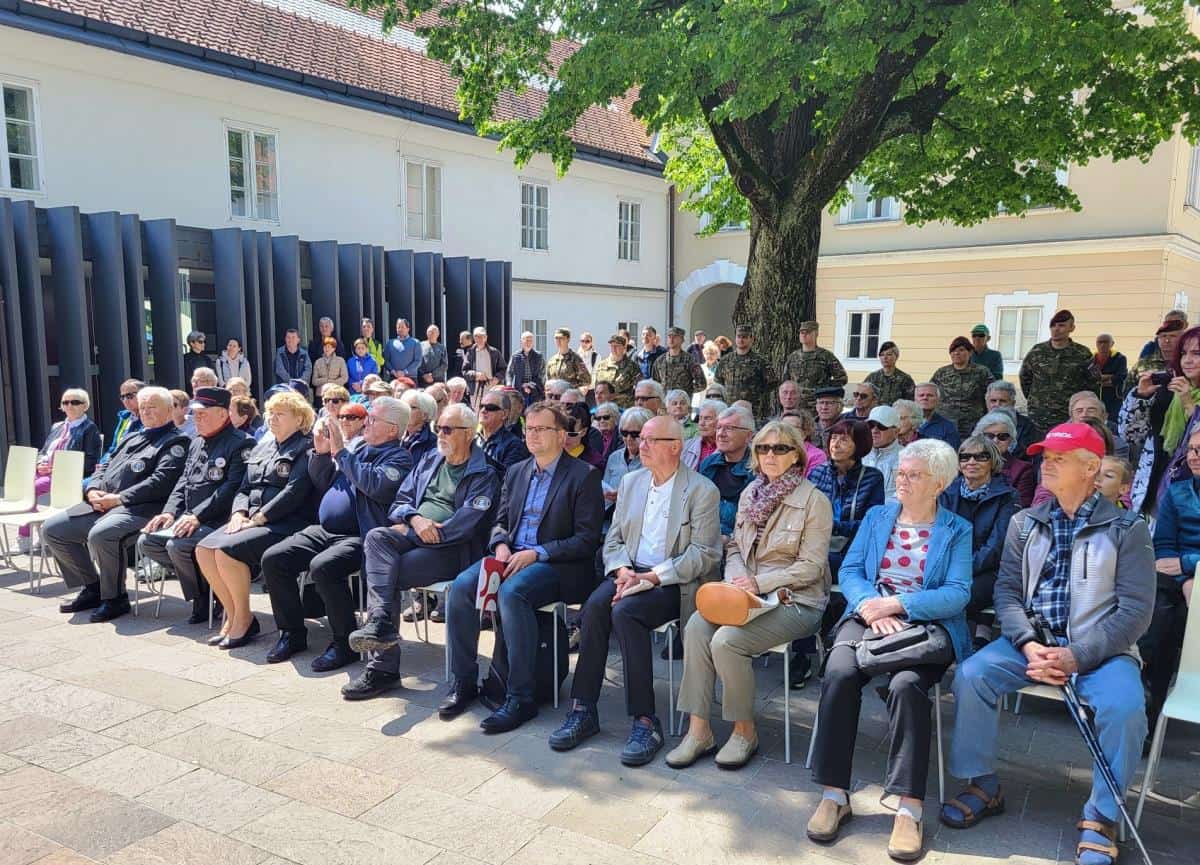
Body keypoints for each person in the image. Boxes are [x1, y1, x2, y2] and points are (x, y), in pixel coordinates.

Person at [943, 423, 1152, 865]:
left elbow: (1135, 611)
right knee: (972, 675)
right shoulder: (1025, 522)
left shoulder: (1127, 529)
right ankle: (983, 783)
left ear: (1091, 468)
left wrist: (1077, 656)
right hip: (1032, 643)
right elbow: (1006, 592)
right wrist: (1025, 643)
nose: (1046, 465)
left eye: (1059, 458)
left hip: (1100, 651)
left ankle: (1101, 815)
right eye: (1045, 457)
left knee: (1126, 707)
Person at [808, 439, 972, 862]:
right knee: (840, 672)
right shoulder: (878, 516)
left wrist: (898, 604)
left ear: (939, 483)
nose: (902, 480)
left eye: (914, 475)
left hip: (924, 627)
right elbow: (850, 569)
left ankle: (908, 808)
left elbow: (958, 593)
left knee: (906, 685)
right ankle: (834, 794)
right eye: (900, 472)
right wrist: (870, 605)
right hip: (868, 617)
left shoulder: (957, 529)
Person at [547, 416, 721, 764]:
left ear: (675, 446)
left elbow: (704, 554)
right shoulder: (632, 482)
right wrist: (623, 570)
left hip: (673, 580)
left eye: (651, 440)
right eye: (641, 438)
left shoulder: (701, 490)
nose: (641, 445)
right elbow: (613, 539)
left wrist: (652, 577)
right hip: (628, 572)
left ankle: (646, 720)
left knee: (626, 613)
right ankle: (583, 709)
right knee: (594, 608)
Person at [670, 420, 832, 771]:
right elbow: (734, 549)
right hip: (747, 594)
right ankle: (699, 730)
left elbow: (812, 567)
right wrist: (736, 580)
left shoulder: (814, 501)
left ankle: (744, 732)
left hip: (796, 600)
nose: (770, 455)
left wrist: (760, 583)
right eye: (763, 448)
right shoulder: (751, 493)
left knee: (727, 641)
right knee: (696, 626)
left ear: (796, 455)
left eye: (780, 448)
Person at [440, 401, 605, 730]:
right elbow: (499, 522)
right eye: (529, 429)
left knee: (512, 593)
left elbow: (587, 539)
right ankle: (464, 681)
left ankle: (520, 697)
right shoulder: (516, 472)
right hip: (511, 556)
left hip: (559, 565)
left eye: (541, 429)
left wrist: (538, 553)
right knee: (461, 587)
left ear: (561, 435)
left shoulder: (584, 476)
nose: (532, 435)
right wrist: (500, 544)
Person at [344, 404, 501, 699]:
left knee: (385, 575)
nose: (440, 434)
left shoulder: (485, 473)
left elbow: (464, 527)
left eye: (448, 429)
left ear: (469, 434)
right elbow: (399, 502)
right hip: (416, 534)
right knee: (377, 537)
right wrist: (414, 519)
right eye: (437, 428)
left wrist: (412, 531)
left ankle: (382, 667)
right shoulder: (431, 459)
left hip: (453, 550)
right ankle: (380, 626)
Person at [261, 397, 412, 671]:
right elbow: (324, 481)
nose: (366, 423)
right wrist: (321, 455)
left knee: (324, 567)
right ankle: (291, 633)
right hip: (325, 530)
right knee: (274, 558)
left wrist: (341, 452)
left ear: (392, 429)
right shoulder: (360, 448)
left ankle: (344, 643)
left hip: (361, 535)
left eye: (373, 419)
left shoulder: (399, 458)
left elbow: (374, 485)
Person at [45, 387, 188, 622]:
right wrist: (92, 490)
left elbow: (160, 482)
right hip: (103, 503)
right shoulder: (132, 436)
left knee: (102, 535)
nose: (146, 412)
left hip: (140, 509)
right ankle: (92, 587)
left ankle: (115, 598)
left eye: (152, 407)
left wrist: (118, 499)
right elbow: (104, 465)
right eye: (143, 407)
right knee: (53, 529)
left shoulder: (177, 441)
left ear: (169, 409)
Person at [195, 390, 316, 649]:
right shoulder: (264, 447)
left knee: (226, 551)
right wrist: (238, 513)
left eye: (280, 414)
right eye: (270, 413)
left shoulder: (306, 448)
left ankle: (243, 620)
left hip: (285, 523)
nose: (272, 418)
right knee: (204, 549)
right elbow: (243, 488)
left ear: (299, 419)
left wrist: (260, 517)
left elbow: (294, 492)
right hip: (251, 520)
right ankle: (235, 615)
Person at [138, 387, 253, 624]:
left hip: (219, 519)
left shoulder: (241, 443)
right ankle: (208, 587)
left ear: (222, 414)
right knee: (147, 541)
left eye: (202, 414)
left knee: (178, 546)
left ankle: (204, 598)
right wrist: (169, 512)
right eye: (195, 414)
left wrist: (197, 517)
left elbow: (230, 489)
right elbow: (184, 481)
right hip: (191, 517)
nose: (196, 419)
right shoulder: (197, 442)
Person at [1141, 426, 1200, 729]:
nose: (1194, 456)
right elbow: (1163, 547)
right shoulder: (1177, 492)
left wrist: (1190, 568)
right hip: (1176, 583)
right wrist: (1186, 580)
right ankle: (1150, 713)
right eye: (1191, 449)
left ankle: (1150, 715)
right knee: (1163, 610)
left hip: (1187, 575)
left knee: (1167, 619)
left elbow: (1175, 560)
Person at [939, 435, 1019, 649]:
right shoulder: (947, 493)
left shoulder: (1008, 497)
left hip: (990, 570)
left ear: (993, 462)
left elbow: (996, 547)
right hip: (949, 566)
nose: (971, 462)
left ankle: (954, 645)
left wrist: (962, 569)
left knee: (958, 595)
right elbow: (939, 536)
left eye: (981, 457)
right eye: (965, 457)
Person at [1120, 323, 1200, 512]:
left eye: (1197, 354)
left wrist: (1190, 405)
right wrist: (1141, 398)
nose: (1187, 360)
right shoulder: (1168, 389)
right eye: (1183, 353)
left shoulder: (1184, 395)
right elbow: (1130, 436)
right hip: (1156, 486)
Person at [19, 388, 103, 553]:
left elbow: (90, 461)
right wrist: (39, 464)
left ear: (85, 406)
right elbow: (44, 451)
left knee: (31, 489)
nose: (69, 406)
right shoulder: (57, 426)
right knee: (21, 486)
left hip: (65, 476)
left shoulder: (89, 429)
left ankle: (25, 537)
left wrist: (59, 468)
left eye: (75, 402)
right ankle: (42, 531)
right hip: (46, 471)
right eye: (66, 402)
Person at [1019, 309, 1100, 436]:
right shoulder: (1037, 351)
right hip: (1038, 416)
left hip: (1068, 416)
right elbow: (1025, 377)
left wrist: (1082, 408)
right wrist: (1035, 400)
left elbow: (1093, 383)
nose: (1056, 329)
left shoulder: (1082, 353)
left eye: (1061, 325)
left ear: (1072, 328)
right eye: (1053, 325)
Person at [698, 405, 755, 539]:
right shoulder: (708, 464)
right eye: (718, 427)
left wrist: (729, 537)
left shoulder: (757, 469)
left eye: (729, 428)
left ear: (748, 436)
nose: (721, 434)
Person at [781, 319, 848, 414]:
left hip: (818, 405)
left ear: (816, 334)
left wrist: (823, 389)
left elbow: (842, 378)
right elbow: (786, 381)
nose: (804, 335)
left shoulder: (825, 356)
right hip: (796, 405)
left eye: (807, 332)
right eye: (802, 332)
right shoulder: (793, 357)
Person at [931, 336, 993, 439]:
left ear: (970, 352)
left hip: (973, 427)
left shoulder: (982, 372)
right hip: (945, 426)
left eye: (961, 350)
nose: (956, 353)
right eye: (953, 351)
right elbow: (930, 394)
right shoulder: (941, 373)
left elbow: (993, 395)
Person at [974, 410, 1035, 507]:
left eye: (1002, 436)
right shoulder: (968, 464)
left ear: (1011, 440)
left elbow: (1021, 507)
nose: (995, 440)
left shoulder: (1023, 470)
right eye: (989, 436)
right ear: (979, 438)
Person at [603, 407, 651, 508]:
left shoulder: (654, 460)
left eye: (634, 434)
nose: (628, 438)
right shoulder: (614, 457)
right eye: (624, 433)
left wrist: (624, 496)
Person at [1127, 315, 1185, 396]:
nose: (1167, 340)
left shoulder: (1189, 364)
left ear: (1182, 339)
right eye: (1163, 336)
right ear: (1158, 339)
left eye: (1173, 336)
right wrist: (1140, 393)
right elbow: (1127, 391)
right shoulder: (1142, 364)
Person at [477, 389, 530, 473]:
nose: (483, 410)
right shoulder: (472, 439)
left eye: (490, 407)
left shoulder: (514, 446)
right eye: (481, 406)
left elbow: (507, 477)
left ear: (504, 414)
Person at [1068, 390, 1129, 459]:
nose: (1084, 414)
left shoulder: (1117, 444)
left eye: (1091, 411)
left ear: (1104, 416)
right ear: (1071, 417)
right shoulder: (1061, 439)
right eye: (1079, 411)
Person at [985, 380, 1038, 458]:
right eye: (993, 401)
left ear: (1013, 404)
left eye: (1003, 401)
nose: (997, 405)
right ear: (987, 403)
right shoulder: (977, 426)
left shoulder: (1027, 427)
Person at [653, 325, 707, 398]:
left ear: (682, 340)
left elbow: (702, 383)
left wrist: (686, 391)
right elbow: (655, 384)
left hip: (682, 402)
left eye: (675, 337)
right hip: (665, 402)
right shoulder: (660, 361)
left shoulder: (689, 360)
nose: (671, 339)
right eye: (669, 336)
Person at [863, 405, 902, 500]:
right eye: (871, 425)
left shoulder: (906, 459)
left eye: (881, 426)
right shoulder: (859, 454)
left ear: (896, 432)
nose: (874, 430)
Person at [593, 333, 640, 409]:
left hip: (624, 408)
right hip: (604, 408)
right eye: (612, 346)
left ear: (624, 347)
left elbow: (639, 389)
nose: (614, 349)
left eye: (617, 346)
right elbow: (597, 387)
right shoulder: (602, 365)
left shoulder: (632, 366)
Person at [462, 326, 505, 407]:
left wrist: (497, 378)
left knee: (491, 411)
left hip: (492, 389)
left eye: (482, 336)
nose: (480, 339)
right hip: (475, 391)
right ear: (474, 338)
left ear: (486, 338)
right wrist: (476, 375)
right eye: (477, 336)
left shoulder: (494, 352)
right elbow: (464, 371)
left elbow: (503, 369)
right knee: (476, 412)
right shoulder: (470, 352)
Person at [780, 409, 828, 478]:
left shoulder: (817, 456)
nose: (786, 431)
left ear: (805, 432)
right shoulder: (771, 451)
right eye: (782, 427)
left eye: (792, 428)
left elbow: (811, 483)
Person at [865, 341, 915, 406]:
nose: (885, 357)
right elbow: (862, 395)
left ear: (896, 356)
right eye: (882, 355)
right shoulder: (872, 377)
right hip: (876, 411)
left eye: (889, 354)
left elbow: (911, 403)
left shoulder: (905, 379)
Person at [914, 382, 961, 449]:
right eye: (921, 395)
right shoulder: (903, 422)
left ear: (938, 400)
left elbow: (951, 453)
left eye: (930, 395)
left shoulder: (948, 428)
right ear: (915, 399)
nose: (925, 398)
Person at [682, 399, 726, 470]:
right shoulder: (687, 445)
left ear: (721, 421)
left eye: (707, 419)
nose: (701, 423)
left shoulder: (729, 449)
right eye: (700, 418)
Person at [1093, 333, 1127, 422]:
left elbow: (1121, 376)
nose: (1102, 345)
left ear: (1112, 343)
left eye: (1106, 342)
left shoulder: (1120, 358)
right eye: (1100, 342)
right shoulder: (1092, 358)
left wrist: (1101, 379)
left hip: (1114, 399)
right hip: (1095, 398)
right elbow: (1089, 378)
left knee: (1113, 423)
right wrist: (1110, 376)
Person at [399, 390, 438, 466]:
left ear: (425, 415)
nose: (405, 410)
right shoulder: (396, 436)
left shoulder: (433, 443)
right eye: (404, 406)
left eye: (412, 407)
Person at [506, 330, 546, 406]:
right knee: (520, 411)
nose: (529, 342)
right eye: (527, 340)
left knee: (533, 411)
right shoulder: (515, 356)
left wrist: (531, 386)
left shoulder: (539, 356)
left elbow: (542, 374)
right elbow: (509, 372)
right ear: (522, 341)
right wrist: (509, 384)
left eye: (531, 340)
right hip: (519, 390)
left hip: (535, 391)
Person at [545, 327, 591, 391]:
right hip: (554, 395)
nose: (558, 341)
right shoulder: (552, 360)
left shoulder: (575, 358)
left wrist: (573, 389)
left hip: (569, 395)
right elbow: (548, 380)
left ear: (568, 339)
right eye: (556, 338)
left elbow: (587, 380)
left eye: (561, 338)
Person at [383, 318, 422, 384]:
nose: (400, 329)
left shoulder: (415, 343)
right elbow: (386, 360)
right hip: (394, 378)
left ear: (408, 329)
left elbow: (418, 361)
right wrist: (393, 371)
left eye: (402, 327)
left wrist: (405, 372)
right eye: (398, 327)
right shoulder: (390, 343)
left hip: (410, 378)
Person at [312, 337, 349, 401]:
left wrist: (331, 382)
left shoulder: (340, 360)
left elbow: (344, 378)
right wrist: (326, 380)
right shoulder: (318, 362)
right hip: (321, 394)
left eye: (329, 347)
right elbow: (314, 381)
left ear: (334, 348)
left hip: (337, 393)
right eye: (325, 347)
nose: (327, 349)